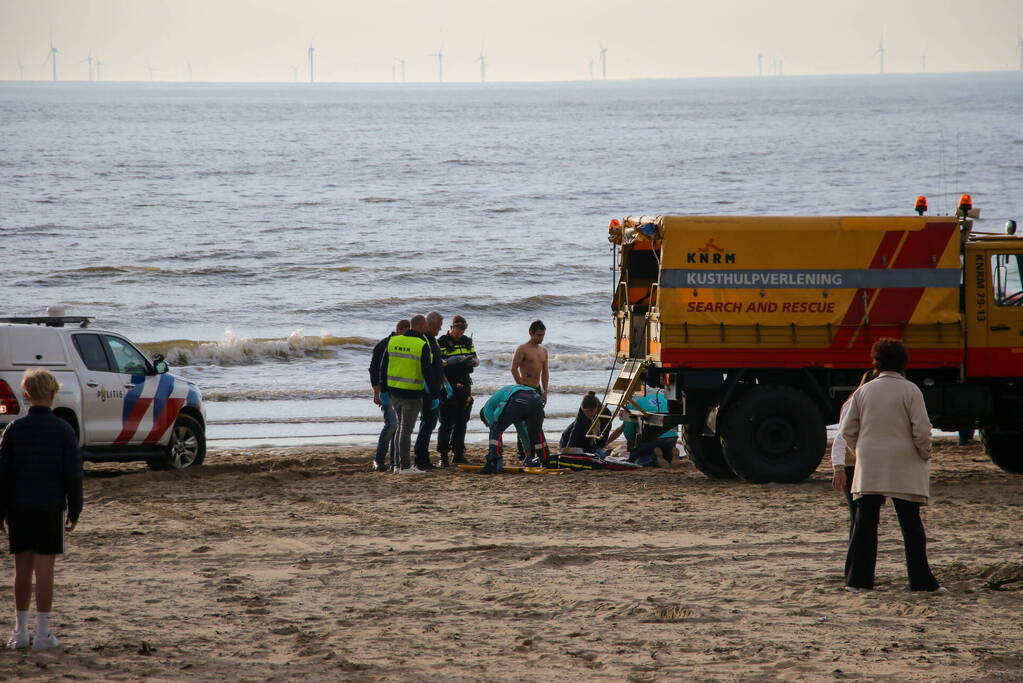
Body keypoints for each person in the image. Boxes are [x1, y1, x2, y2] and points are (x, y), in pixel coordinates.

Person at [839, 338, 944, 593]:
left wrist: (859, 450)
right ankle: (921, 581)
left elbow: (846, 429)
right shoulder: (910, 390)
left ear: (876, 362)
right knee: (910, 523)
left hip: (870, 463)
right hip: (904, 462)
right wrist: (923, 453)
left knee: (865, 523)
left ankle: (858, 581)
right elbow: (922, 429)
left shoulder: (864, 391)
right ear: (903, 363)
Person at [0, 368, 83, 651]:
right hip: (49, 506)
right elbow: (73, 474)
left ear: (26, 394)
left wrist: (1, 510)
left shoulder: (14, 429)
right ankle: (44, 633)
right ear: (53, 393)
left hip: (19, 506)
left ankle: (21, 631)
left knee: (22, 570)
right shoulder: (63, 429)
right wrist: (75, 509)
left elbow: (3, 474)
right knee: (44, 570)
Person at [379, 315, 440, 474]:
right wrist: (435, 394)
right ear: (422, 326)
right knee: (406, 430)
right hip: (412, 393)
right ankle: (405, 466)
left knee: (400, 427)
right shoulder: (421, 344)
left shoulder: (394, 341)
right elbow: (428, 371)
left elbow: (383, 367)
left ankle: (398, 465)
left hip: (394, 392)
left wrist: (383, 390)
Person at [478, 384, 551, 474]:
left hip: (518, 398)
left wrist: (498, 455)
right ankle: (545, 460)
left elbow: (496, 432)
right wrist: (528, 455)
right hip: (536, 397)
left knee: (496, 430)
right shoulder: (507, 408)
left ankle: (493, 462)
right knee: (536, 432)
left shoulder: (486, 410)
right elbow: (522, 433)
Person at [436, 315, 478, 467]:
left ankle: (458, 453)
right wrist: (450, 362)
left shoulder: (467, 341)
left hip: (464, 383)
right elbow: (437, 364)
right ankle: (443, 456)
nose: (459, 333)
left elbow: (476, 360)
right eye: (457, 330)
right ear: (451, 327)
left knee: (462, 420)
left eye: (462, 330)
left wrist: (471, 361)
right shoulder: (441, 342)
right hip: (448, 384)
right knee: (446, 421)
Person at [369, 319, 410, 472]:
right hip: (387, 390)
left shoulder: (407, 344)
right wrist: (376, 392)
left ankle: (395, 461)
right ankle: (379, 459)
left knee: (400, 426)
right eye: (406, 333)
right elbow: (374, 369)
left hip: (403, 390)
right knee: (392, 424)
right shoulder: (384, 344)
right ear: (399, 330)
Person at [414, 311, 445, 470]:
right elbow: (425, 367)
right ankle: (421, 459)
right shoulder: (423, 340)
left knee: (429, 424)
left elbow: (436, 363)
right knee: (427, 424)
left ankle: (422, 457)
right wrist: (431, 391)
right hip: (428, 390)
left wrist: (444, 381)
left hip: (435, 388)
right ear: (430, 324)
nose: (440, 330)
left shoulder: (432, 340)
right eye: (438, 326)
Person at [619, 389, 678, 467]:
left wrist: (632, 443)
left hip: (652, 438)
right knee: (666, 456)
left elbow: (628, 430)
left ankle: (655, 459)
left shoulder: (632, 403)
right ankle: (671, 457)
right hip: (672, 437)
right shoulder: (663, 396)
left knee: (634, 460)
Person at [560, 391, 613, 456]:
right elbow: (575, 434)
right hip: (567, 440)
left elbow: (605, 434)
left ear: (597, 406)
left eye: (591, 411)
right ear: (582, 408)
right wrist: (569, 451)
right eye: (586, 411)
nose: (589, 414)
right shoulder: (582, 414)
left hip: (591, 443)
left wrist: (597, 448)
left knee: (600, 454)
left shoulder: (606, 414)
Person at [511, 320, 549, 403]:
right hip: (525, 387)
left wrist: (545, 391)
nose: (541, 337)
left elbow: (545, 372)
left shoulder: (544, 351)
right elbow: (514, 369)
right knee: (524, 415)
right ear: (531, 333)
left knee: (538, 415)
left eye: (543, 335)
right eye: (539, 335)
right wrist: (521, 387)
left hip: (537, 389)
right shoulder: (522, 349)